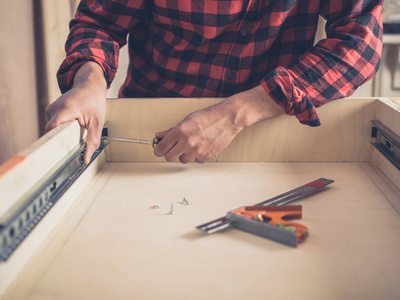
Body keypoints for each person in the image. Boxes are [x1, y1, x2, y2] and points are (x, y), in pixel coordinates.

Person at [46, 0, 383, 164]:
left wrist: (238, 112)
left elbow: (360, 40)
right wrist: (89, 82)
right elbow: (101, 21)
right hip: (157, 131)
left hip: (270, 132)